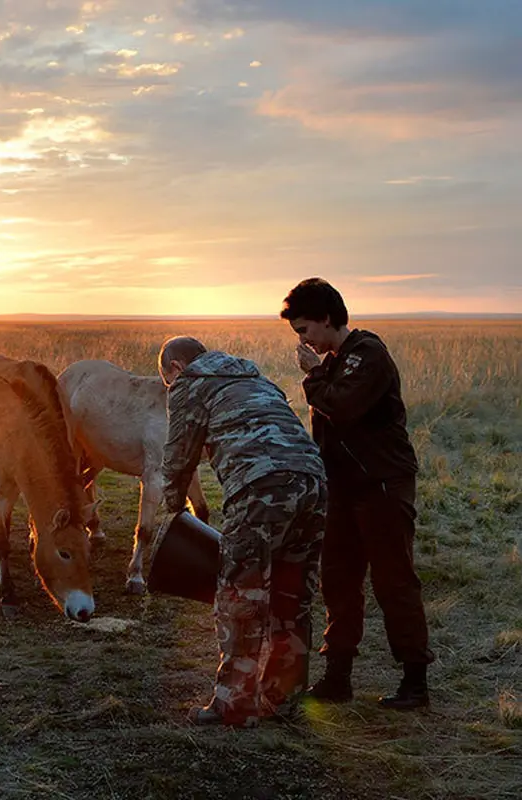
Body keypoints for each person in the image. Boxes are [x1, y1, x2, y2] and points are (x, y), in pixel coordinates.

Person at [159, 336, 327, 727]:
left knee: (241, 597)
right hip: (314, 482)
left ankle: (234, 704)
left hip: (260, 488)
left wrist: (172, 511)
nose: (170, 387)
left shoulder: (189, 383)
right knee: (293, 592)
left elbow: (178, 456)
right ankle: (284, 699)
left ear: (175, 368)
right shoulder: (254, 375)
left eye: (167, 380)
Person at [281, 277, 433, 710]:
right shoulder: (337, 360)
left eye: (305, 329)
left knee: (393, 581)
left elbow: (342, 408)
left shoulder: (368, 355)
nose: (303, 341)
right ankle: (337, 677)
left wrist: (312, 374)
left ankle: (415, 682)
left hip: (382, 484)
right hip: (344, 487)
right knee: (339, 580)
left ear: (327, 320)